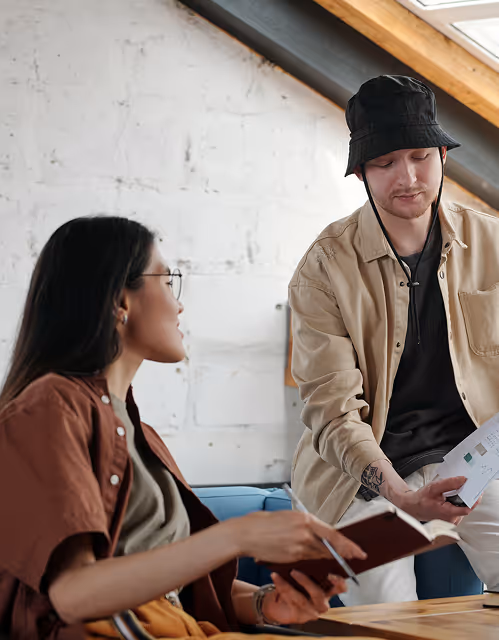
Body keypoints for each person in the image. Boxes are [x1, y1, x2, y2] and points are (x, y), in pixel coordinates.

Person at [0, 216, 367, 639]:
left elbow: (173, 588)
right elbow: (73, 595)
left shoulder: (143, 435)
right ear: (120, 301)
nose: (179, 305)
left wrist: (266, 602)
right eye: (167, 281)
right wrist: (238, 536)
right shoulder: (51, 408)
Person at [289, 75, 499, 606]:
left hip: (471, 461)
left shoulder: (493, 243)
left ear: (443, 157)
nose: (406, 177)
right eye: (384, 163)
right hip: (366, 477)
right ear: (361, 171)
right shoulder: (322, 270)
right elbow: (332, 413)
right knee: (388, 615)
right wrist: (404, 496)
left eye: (420, 156)